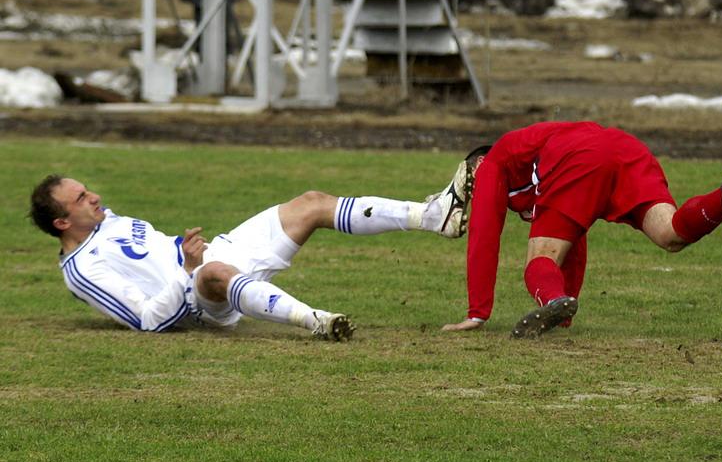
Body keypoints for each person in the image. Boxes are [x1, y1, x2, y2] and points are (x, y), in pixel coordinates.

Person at [28, 161, 473, 339]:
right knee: (213, 272)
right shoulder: (83, 271)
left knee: (311, 203)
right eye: (82, 198)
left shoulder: (108, 220)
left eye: (88, 190)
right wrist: (187, 269)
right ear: (62, 223)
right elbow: (146, 322)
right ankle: (315, 321)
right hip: (201, 297)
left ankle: (435, 216)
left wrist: (185, 252)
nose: (95, 197)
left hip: (219, 252)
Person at [441, 120, 722, 338]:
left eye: (471, 180)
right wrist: (566, 308)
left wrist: (477, 312)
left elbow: (484, 236)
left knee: (541, 259)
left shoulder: (492, 162)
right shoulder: (527, 162)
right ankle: (721, 201)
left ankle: (552, 299)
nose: (473, 189)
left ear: (477, 164)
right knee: (670, 235)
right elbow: (574, 238)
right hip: (623, 148)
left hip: (579, 154)